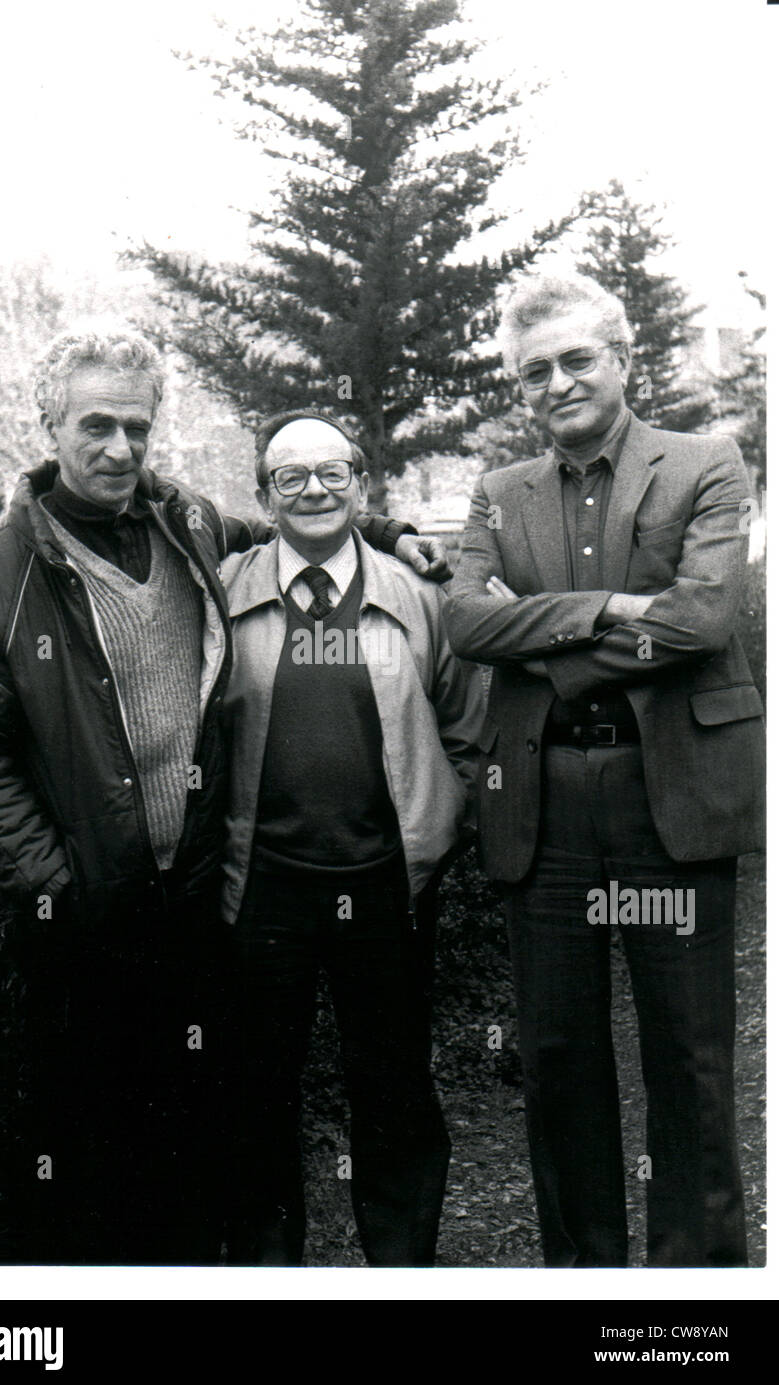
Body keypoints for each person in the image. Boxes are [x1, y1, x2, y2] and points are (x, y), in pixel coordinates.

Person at [0, 325, 448, 1265]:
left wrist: (390, 530)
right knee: (95, 1149)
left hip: (205, 899)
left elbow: (300, 517)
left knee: (213, 1128)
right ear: (48, 424)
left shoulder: (185, 525)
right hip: (92, 914)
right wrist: (58, 885)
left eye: (137, 426)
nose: (119, 448)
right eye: (96, 426)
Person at [444, 272, 764, 1268]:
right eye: (533, 371)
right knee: (561, 1060)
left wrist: (539, 630)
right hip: (544, 810)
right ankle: (583, 1287)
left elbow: (705, 616)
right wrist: (618, 609)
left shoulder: (706, 462)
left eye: (578, 358)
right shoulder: (500, 493)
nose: (557, 382)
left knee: (690, 1059)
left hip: (669, 793)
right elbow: (463, 619)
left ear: (622, 359)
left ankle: (696, 1295)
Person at [219, 410, 483, 1265]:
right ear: (263, 497)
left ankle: (399, 1271)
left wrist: (445, 825)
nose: (313, 490)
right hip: (261, 888)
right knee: (255, 1097)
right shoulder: (221, 589)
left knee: (397, 1091)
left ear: (362, 486)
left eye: (333, 473)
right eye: (290, 477)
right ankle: (269, 1276)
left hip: (388, 886)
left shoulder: (419, 592)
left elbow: (466, 722)